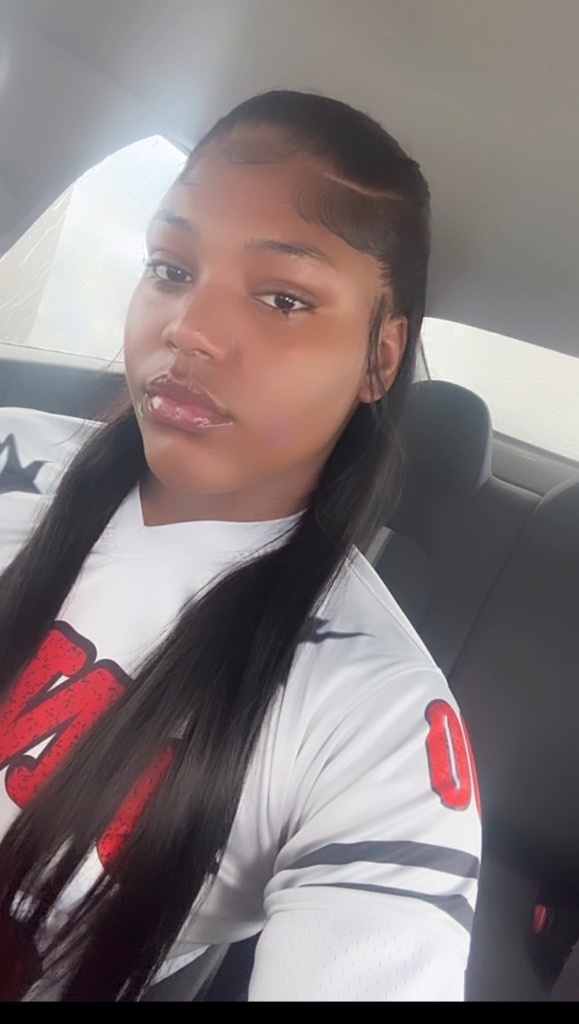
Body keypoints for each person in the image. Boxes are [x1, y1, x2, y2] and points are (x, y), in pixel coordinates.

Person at [0, 90, 480, 1002]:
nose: (188, 328)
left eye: (283, 298)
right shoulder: (11, 454)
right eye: (170, 268)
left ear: (380, 358)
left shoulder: (374, 717)